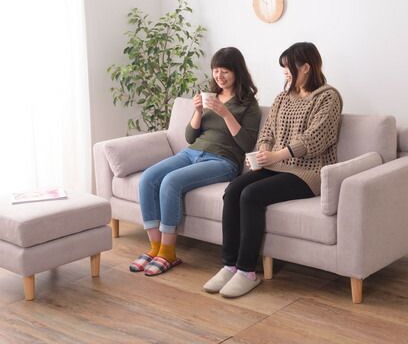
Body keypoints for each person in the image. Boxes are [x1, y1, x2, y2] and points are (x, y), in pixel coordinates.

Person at [203, 42, 343, 297]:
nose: (285, 72)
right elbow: (267, 132)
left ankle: (247, 271)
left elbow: (315, 138)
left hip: (308, 172)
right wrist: (262, 153)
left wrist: (276, 155)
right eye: (283, 68)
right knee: (233, 190)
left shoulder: (328, 97)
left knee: (251, 195)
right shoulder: (282, 98)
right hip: (275, 165)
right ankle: (229, 265)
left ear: (306, 68)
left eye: (288, 67)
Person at [130, 47, 261, 276]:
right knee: (148, 178)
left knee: (171, 182)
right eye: (216, 71)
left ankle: (168, 252)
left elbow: (246, 144)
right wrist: (198, 111)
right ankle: (154, 248)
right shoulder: (211, 97)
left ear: (237, 72)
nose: (219, 76)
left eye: (225, 71)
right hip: (191, 153)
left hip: (223, 160)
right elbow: (190, 137)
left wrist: (225, 113)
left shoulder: (248, 104)